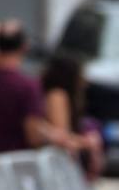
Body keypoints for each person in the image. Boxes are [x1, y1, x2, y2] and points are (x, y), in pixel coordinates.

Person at [0, 21, 80, 157]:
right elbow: (33, 134)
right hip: (17, 165)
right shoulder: (27, 86)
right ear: (24, 47)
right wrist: (57, 137)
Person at [41, 53, 104, 181]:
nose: (84, 80)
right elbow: (61, 134)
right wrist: (87, 142)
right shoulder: (57, 95)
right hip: (57, 168)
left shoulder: (56, 95)